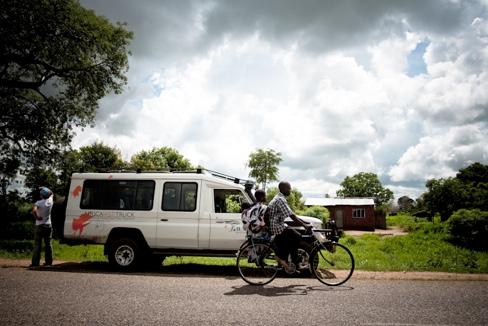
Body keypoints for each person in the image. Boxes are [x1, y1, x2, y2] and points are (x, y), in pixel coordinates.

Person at [267, 181, 311, 272]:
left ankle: (287, 259)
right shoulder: (280, 200)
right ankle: (284, 258)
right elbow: (291, 215)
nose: (290, 190)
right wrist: (304, 226)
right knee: (297, 235)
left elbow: (291, 214)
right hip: (277, 227)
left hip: (277, 225)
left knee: (292, 237)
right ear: (283, 189)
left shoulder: (279, 198)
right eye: (289, 188)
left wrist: (305, 222)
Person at [30, 187, 54, 267]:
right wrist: (45, 188)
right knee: (48, 244)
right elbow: (51, 193)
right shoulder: (50, 201)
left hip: (39, 225)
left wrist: (37, 217)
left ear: (41, 195)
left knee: (37, 244)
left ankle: (35, 263)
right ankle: (48, 262)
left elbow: (33, 211)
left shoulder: (38, 203)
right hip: (48, 225)